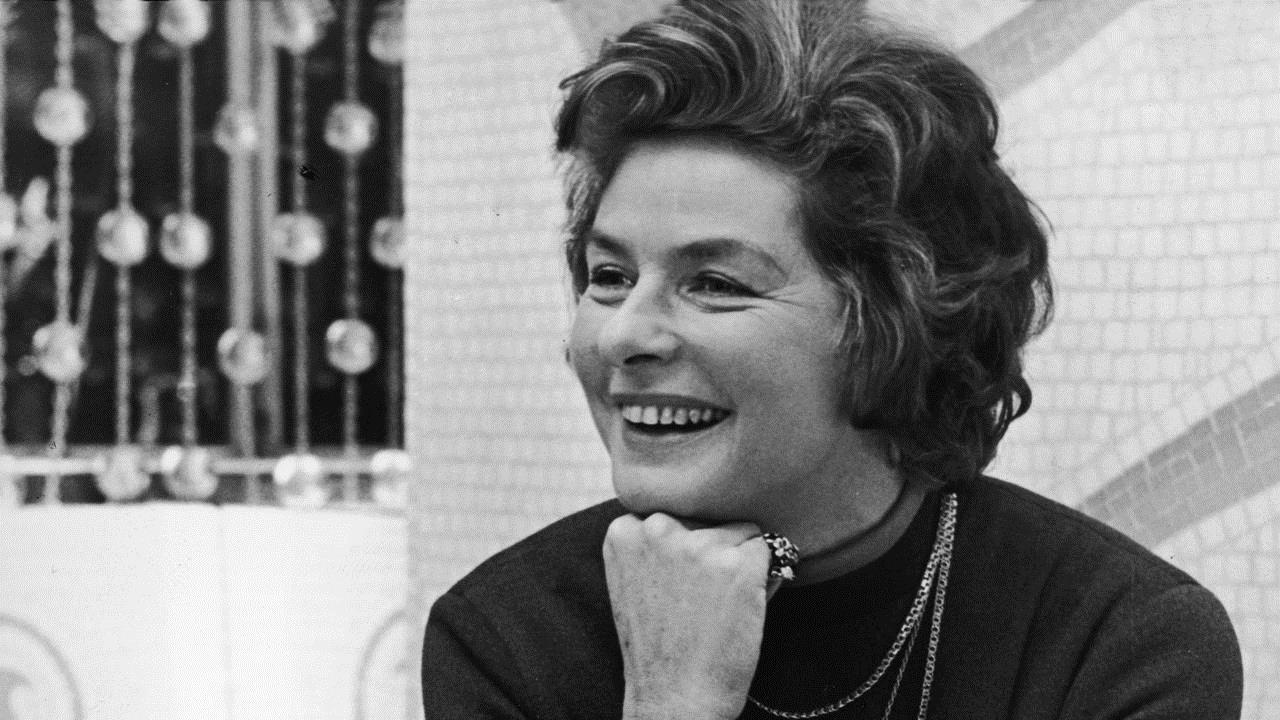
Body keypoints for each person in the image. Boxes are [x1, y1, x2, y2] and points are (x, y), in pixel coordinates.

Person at [421, 1, 1243, 718]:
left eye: (714, 284)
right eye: (610, 276)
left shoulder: (1118, 642)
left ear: (893, 319)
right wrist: (672, 704)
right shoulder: (507, 639)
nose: (621, 336)